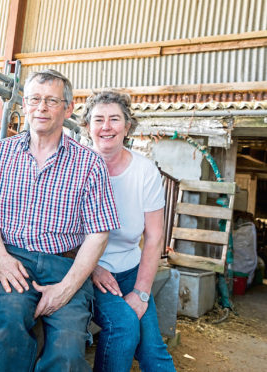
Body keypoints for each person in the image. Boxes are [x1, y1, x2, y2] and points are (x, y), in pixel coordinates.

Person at [0, 69, 120, 372]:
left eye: (51, 101)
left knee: (67, 351)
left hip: (65, 266)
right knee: (8, 328)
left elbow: (98, 234)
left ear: (68, 108)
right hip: (14, 261)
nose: (41, 108)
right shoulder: (2, 153)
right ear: (24, 105)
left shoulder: (89, 163)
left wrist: (66, 287)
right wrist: (0, 259)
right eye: (35, 100)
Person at [81, 90, 176, 372]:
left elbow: (155, 236)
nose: (106, 127)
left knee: (153, 351)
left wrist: (142, 292)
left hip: (130, 269)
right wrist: (93, 267)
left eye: (114, 119)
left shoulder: (145, 171)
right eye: (98, 120)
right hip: (88, 270)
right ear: (87, 126)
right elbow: (63, 231)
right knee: (123, 327)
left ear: (127, 126)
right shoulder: (77, 166)